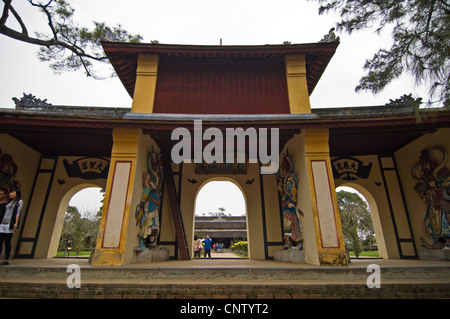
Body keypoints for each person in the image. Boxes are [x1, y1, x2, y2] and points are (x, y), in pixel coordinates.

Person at [0, 188, 23, 265]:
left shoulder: (19, 202)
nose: (11, 194)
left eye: (12, 192)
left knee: (7, 241)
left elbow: (18, 212)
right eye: (10, 192)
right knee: (0, 241)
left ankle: (6, 259)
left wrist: (16, 223)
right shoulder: (7, 202)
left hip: (9, 224)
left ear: (17, 193)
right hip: (2, 223)